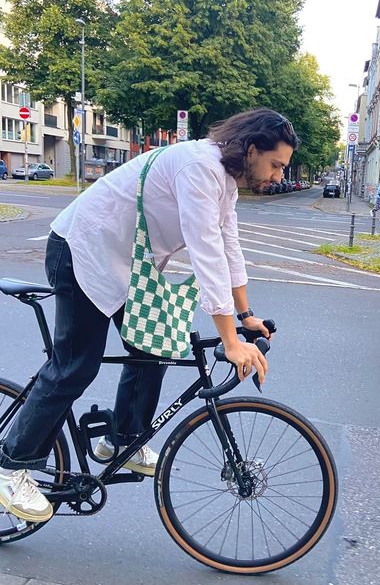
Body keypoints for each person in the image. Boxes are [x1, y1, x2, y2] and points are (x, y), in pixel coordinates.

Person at [0, 109, 298, 523]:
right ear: (252, 149)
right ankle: (11, 466)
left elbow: (229, 247)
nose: (279, 176)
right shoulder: (199, 167)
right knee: (74, 366)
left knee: (154, 344)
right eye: (276, 165)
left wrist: (245, 316)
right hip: (81, 251)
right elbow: (205, 251)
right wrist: (230, 341)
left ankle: (121, 439)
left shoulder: (224, 181)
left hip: (122, 265)